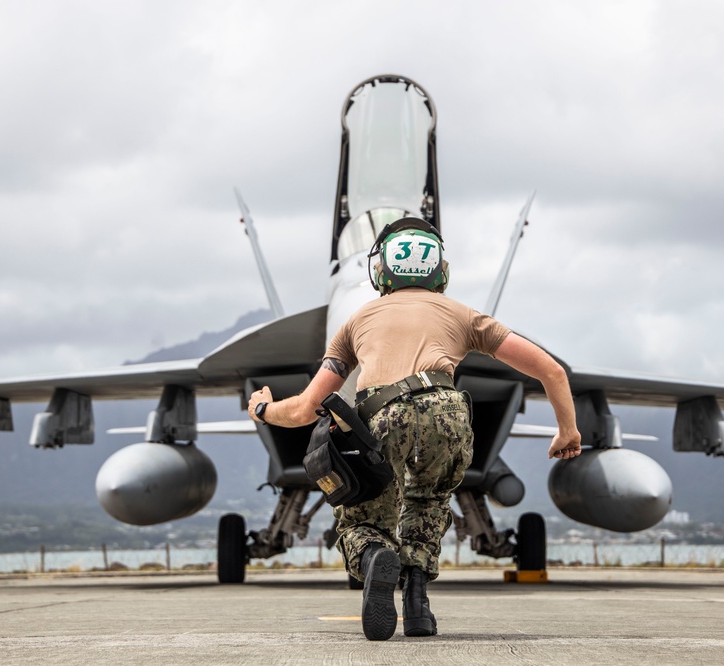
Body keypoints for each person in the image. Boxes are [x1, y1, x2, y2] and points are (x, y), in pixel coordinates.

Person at [247, 217, 581, 641]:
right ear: (440, 270)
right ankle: (418, 607)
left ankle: (373, 558)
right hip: (449, 414)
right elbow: (551, 370)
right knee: (429, 505)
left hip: (383, 416)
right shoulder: (465, 315)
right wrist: (566, 431)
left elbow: (303, 411)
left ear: (380, 271)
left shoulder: (355, 322)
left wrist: (262, 409)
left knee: (362, 518)